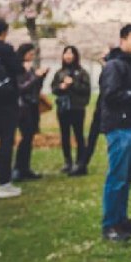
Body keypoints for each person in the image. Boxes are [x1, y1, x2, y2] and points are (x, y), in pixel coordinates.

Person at [99, 24, 131, 242]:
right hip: (118, 127)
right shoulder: (114, 66)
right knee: (117, 176)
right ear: (122, 40)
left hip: (129, 125)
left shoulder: (130, 66)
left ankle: (121, 220)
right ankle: (110, 224)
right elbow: (110, 96)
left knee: (127, 176)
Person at [0, 18, 25, 198]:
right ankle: (4, 183)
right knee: (6, 141)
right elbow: (18, 69)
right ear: (4, 31)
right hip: (6, 102)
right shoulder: (5, 49)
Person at [51, 46, 91, 175]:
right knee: (65, 135)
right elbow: (54, 89)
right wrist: (61, 86)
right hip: (63, 108)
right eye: (66, 53)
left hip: (77, 108)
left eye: (71, 53)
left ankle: (80, 161)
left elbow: (86, 89)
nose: (68, 56)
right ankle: (67, 161)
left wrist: (73, 83)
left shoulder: (82, 72)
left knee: (79, 134)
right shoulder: (59, 73)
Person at [13, 43, 48, 181]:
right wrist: (35, 77)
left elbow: (35, 88)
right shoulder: (18, 69)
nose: (31, 57)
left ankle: (25, 167)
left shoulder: (30, 68)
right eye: (30, 54)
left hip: (32, 106)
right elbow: (22, 88)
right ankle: (18, 168)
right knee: (25, 136)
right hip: (22, 107)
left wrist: (41, 77)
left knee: (29, 137)